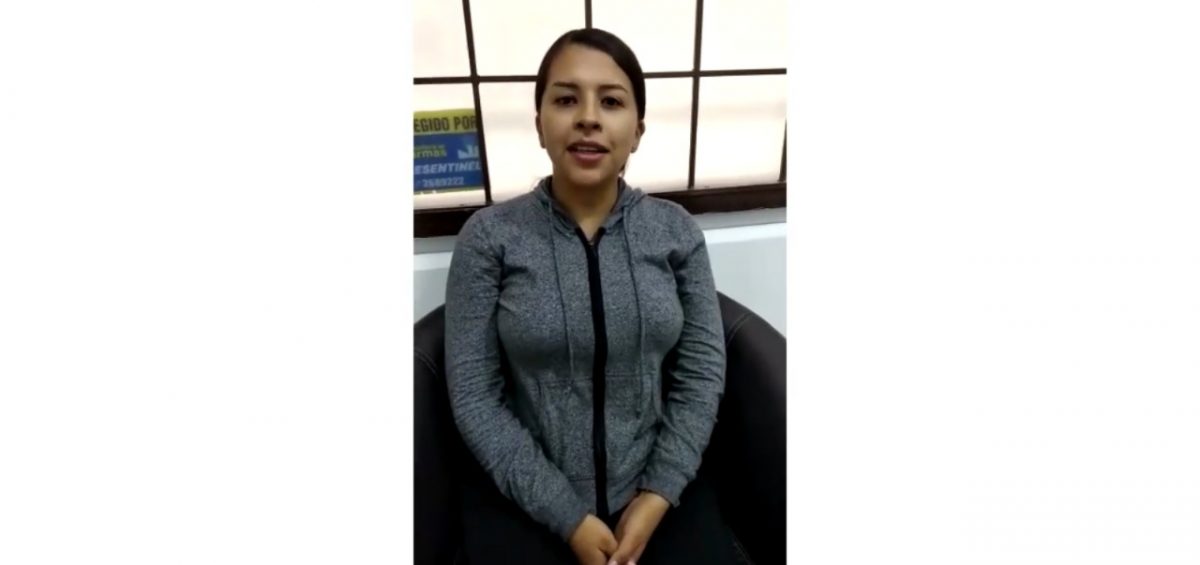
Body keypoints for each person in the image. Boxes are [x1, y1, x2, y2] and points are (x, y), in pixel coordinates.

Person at [444, 28, 747, 565]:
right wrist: (568, 518)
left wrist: (658, 493)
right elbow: (474, 396)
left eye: (611, 101)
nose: (588, 118)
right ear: (540, 125)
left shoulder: (675, 232)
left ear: (638, 131)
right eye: (566, 100)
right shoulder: (489, 238)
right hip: (526, 495)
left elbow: (702, 375)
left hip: (660, 488)